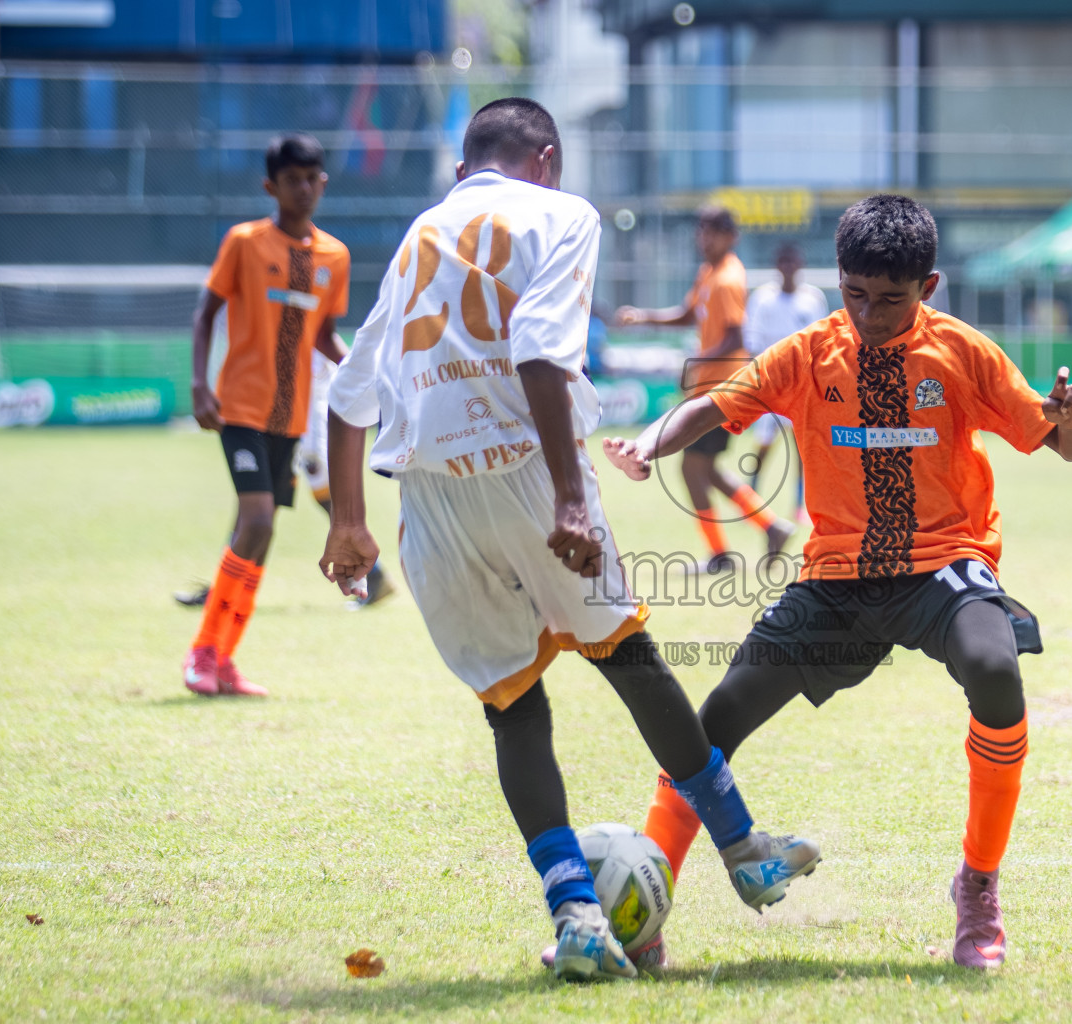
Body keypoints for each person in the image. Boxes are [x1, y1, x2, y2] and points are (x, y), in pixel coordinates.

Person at [316, 98, 820, 982]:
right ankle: (744, 848)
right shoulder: (561, 212)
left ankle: (578, 916)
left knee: (513, 706)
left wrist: (348, 521)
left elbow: (350, 392)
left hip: (429, 495)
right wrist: (568, 500)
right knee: (629, 660)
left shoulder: (419, 234)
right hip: (523, 461)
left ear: (466, 163)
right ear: (546, 157)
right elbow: (542, 352)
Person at [604, 194, 1072, 971]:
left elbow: (1067, 447)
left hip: (944, 565)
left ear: (928, 287)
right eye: (855, 294)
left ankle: (977, 889)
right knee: (714, 721)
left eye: (891, 299)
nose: (869, 313)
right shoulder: (808, 352)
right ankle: (645, 902)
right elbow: (711, 406)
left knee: (997, 671)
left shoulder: (963, 353)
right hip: (836, 577)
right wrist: (647, 442)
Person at [182, 133, 351, 697]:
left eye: (312, 179)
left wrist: (357, 371)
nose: (303, 189)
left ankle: (224, 660)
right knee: (253, 521)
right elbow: (206, 313)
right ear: (270, 186)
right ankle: (203, 653)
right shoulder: (245, 242)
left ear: (323, 183)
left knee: (263, 533)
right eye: (292, 180)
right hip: (241, 408)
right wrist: (200, 384)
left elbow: (323, 333)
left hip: (292, 415)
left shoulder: (334, 256)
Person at [615, 207, 793, 569]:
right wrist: (644, 316)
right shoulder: (709, 273)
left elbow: (735, 337)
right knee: (706, 469)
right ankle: (771, 526)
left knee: (691, 469)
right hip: (709, 388)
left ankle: (720, 554)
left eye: (712, 231)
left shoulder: (728, 277)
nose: (704, 238)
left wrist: (694, 363)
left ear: (731, 237)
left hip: (721, 390)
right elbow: (686, 314)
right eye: (701, 231)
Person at [173, 346, 394, 610]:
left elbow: (323, 332)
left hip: (307, 388)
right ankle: (225, 588)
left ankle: (375, 574)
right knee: (255, 495)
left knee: (315, 485)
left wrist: (361, 377)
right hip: (278, 388)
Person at [742, 242, 828, 513]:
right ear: (777, 266)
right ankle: (751, 497)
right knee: (764, 445)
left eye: (793, 261)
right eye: (784, 262)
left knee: (802, 448)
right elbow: (752, 343)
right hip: (771, 385)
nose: (789, 267)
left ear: (800, 265)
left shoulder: (812, 299)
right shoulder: (762, 298)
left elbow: (821, 342)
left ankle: (799, 505)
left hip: (801, 387)